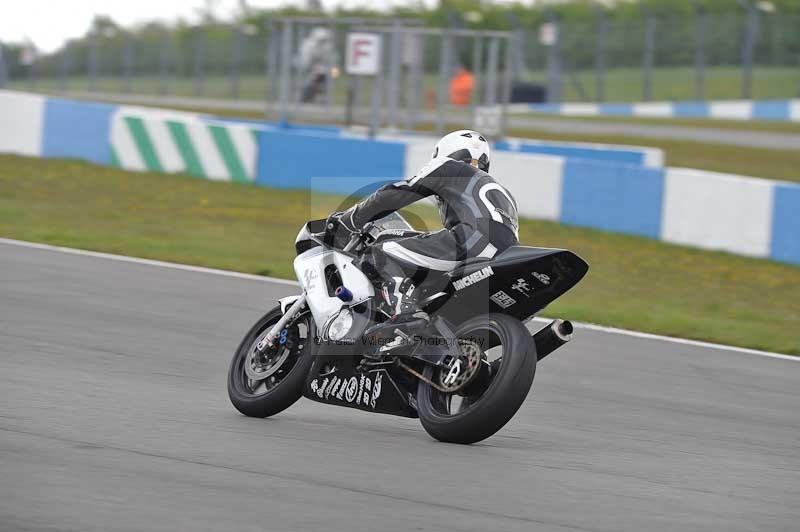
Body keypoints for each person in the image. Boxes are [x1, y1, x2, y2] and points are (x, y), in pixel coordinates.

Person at [326, 130, 520, 325]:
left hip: (472, 242)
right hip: (506, 256)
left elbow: (397, 194)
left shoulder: (448, 167)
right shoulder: (503, 193)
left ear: (444, 153)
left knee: (379, 254)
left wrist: (350, 219)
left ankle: (405, 315)